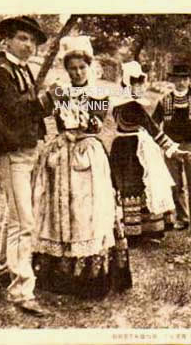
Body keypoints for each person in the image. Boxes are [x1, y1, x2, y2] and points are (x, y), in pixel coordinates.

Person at [31, 36, 132, 299]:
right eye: (72, 68)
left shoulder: (99, 93)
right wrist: (48, 98)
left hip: (87, 153)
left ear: (89, 67)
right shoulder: (60, 90)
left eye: (81, 68)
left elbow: (95, 124)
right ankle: (56, 271)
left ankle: (89, 274)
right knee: (58, 209)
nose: (76, 73)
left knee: (87, 211)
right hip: (60, 154)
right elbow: (36, 112)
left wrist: (75, 113)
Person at [0, 16, 54, 316]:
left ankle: (3, 268)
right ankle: (22, 289)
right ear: (7, 41)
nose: (29, 45)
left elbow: (28, 113)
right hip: (11, 152)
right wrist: (46, 101)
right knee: (24, 222)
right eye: (23, 38)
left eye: (33, 41)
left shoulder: (22, 70)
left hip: (26, 150)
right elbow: (12, 112)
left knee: (14, 214)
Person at [109, 61, 184, 243]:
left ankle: (135, 228)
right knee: (137, 184)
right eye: (136, 83)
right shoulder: (132, 106)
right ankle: (139, 230)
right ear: (128, 85)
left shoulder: (119, 104)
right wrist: (171, 148)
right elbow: (152, 129)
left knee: (129, 185)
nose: (140, 87)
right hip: (132, 150)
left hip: (122, 147)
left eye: (141, 83)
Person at [152, 61, 191, 235]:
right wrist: (156, 142)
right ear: (173, 80)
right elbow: (154, 123)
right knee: (175, 185)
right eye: (178, 79)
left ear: (189, 80)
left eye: (184, 79)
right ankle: (181, 218)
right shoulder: (164, 100)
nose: (181, 83)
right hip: (171, 147)